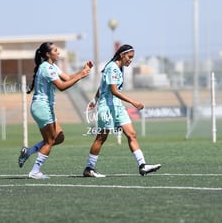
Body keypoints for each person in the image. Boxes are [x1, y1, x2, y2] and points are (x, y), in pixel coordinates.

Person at [82, 44, 161, 177]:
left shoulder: (120, 68)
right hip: (107, 107)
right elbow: (113, 90)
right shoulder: (112, 68)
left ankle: (142, 165)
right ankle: (89, 168)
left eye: (132, 58)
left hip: (117, 107)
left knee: (132, 134)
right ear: (121, 55)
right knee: (101, 137)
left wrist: (95, 99)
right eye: (129, 57)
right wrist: (133, 102)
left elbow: (102, 86)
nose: (130, 60)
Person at [18, 42, 93, 179]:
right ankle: (35, 171)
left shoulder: (52, 67)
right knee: (49, 141)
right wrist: (81, 75)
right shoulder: (47, 68)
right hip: (42, 107)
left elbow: (69, 78)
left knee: (59, 137)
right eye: (56, 50)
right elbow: (62, 86)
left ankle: (29, 152)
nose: (58, 53)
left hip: (44, 107)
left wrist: (83, 71)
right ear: (48, 54)